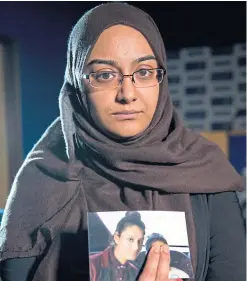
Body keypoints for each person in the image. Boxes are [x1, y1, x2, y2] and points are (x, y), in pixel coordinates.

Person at [0, 2, 245, 281]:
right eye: (105, 75)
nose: (127, 93)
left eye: (143, 72)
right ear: (77, 83)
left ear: (160, 78)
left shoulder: (205, 173)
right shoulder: (41, 179)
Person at [89, 211, 145, 281]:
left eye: (140, 241)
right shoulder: (92, 264)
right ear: (117, 238)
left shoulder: (134, 272)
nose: (136, 247)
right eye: (130, 239)